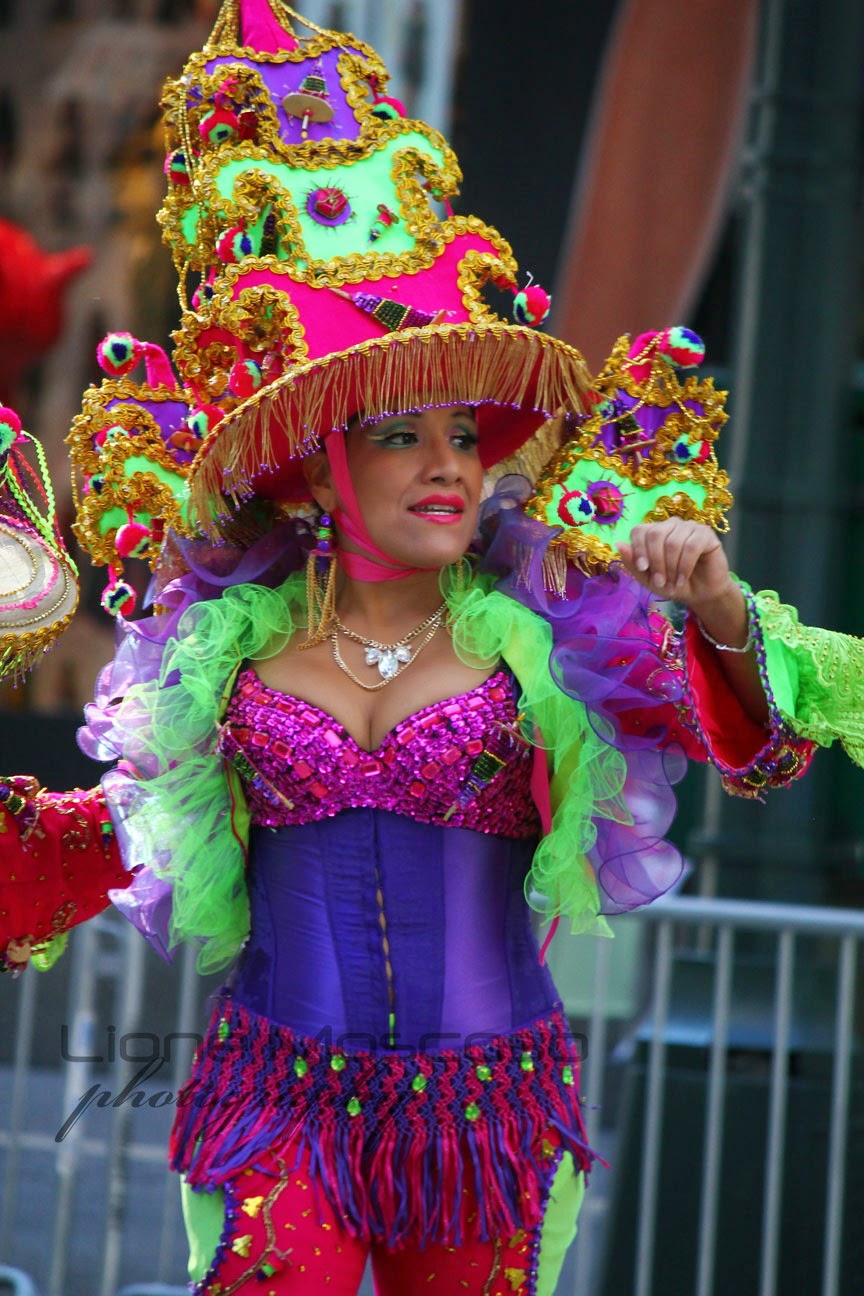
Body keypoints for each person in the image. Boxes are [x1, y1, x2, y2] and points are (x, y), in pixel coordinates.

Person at [0, 3, 847, 1293]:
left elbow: (764, 748)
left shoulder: (556, 638)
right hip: (275, 1108)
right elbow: (114, 835)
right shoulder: (223, 655)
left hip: (484, 1120)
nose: (449, 464)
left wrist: (724, 611)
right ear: (316, 463)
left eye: (464, 434)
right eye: (402, 435)